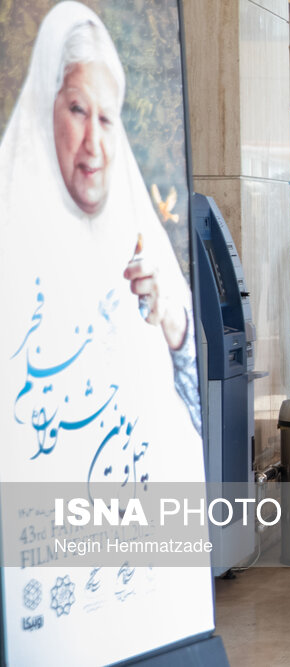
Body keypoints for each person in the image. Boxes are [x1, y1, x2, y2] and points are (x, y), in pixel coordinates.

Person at [0, 0, 203, 492]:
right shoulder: (15, 235)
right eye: (76, 110)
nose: (93, 142)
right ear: (45, 109)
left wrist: (174, 326)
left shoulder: (138, 238)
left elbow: (194, 419)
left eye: (106, 118)